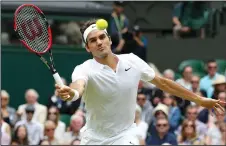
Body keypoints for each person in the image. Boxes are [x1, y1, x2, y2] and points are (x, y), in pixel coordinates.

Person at [55, 19, 225, 145]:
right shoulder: (84, 68)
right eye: (93, 40)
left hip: (125, 136)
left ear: (109, 40)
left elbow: (164, 84)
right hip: (93, 139)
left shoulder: (132, 61)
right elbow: (78, 86)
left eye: (102, 37)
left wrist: (200, 100)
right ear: (87, 47)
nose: (99, 42)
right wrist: (72, 93)